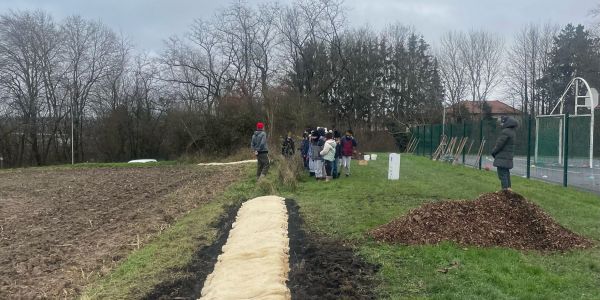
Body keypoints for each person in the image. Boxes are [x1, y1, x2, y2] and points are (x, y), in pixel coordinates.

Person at [491, 116, 518, 191]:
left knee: (502, 175)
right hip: (507, 157)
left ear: (506, 123)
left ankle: (505, 191)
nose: (501, 124)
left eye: (502, 122)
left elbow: (499, 145)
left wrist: (493, 152)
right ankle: (509, 189)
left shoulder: (505, 132)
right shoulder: (512, 132)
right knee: (506, 174)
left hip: (502, 157)